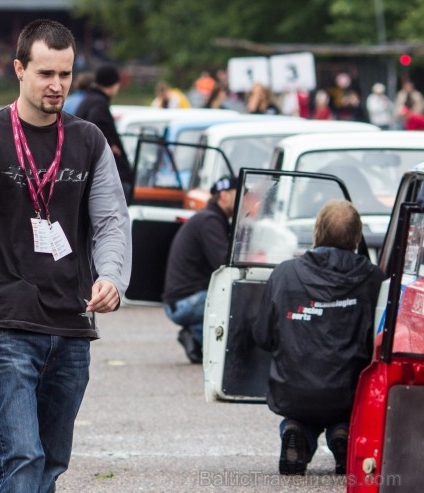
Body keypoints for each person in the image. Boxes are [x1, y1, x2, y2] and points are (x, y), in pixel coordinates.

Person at [0, 19, 131, 493]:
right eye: (45, 73)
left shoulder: (88, 140)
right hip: (5, 323)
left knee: (52, 461)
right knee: (22, 455)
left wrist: (112, 278)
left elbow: (111, 222)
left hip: (70, 323)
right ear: (19, 69)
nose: (57, 85)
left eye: (64, 74)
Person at [252, 199, 384, 476]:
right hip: (348, 392)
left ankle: (296, 430)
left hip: (291, 389)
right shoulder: (374, 280)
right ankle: (343, 433)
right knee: (344, 409)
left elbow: (262, 336)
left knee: (301, 412)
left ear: (316, 232)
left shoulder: (284, 273)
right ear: (357, 237)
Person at [162, 176, 236, 363]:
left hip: (182, 300)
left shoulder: (211, 219)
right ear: (225, 196)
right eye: (240, 194)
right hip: (185, 302)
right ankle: (198, 337)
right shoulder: (210, 221)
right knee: (238, 303)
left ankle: (196, 333)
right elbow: (224, 264)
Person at [75, 64, 134, 199]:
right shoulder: (99, 104)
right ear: (113, 84)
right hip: (104, 176)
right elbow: (95, 125)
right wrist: (108, 145)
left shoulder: (88, 100)